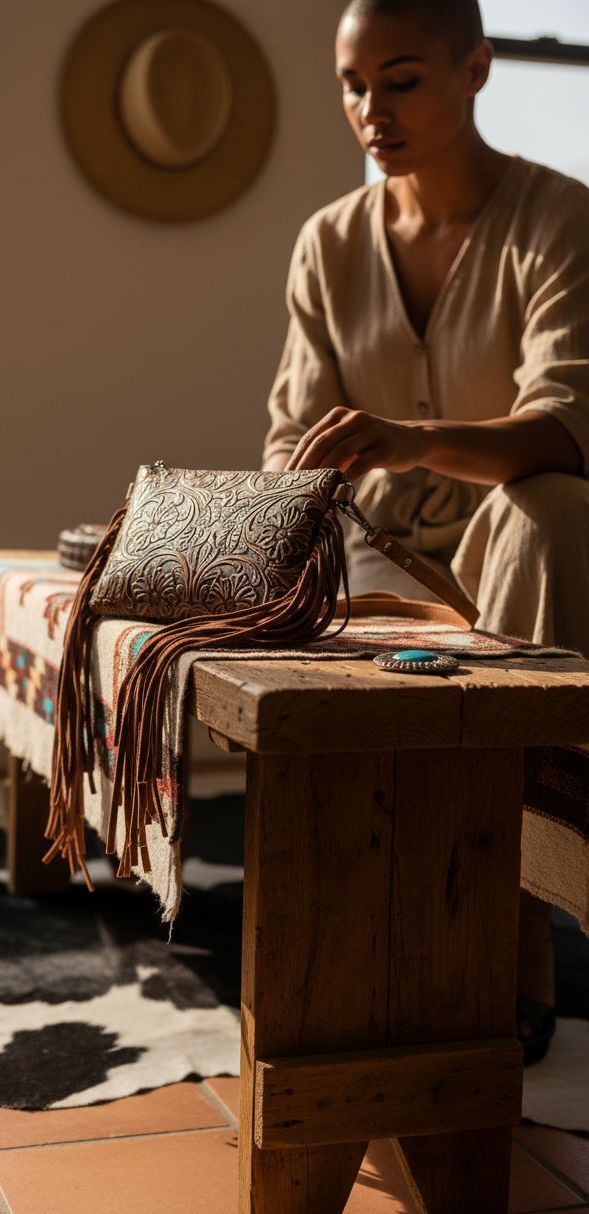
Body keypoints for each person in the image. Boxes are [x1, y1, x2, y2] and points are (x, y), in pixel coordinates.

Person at [262, 0, 589, 1063]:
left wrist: (411, 440)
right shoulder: (327, 243)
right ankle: (350, 920)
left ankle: (519, 919)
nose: (372, 110)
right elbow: (292, 438)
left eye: (400, 81)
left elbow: (569, 425)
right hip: (374, 549)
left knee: (551, 510)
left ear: (476, 69)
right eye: (352, 86)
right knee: (297, 555)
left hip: (514, 547)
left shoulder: (560, 219)